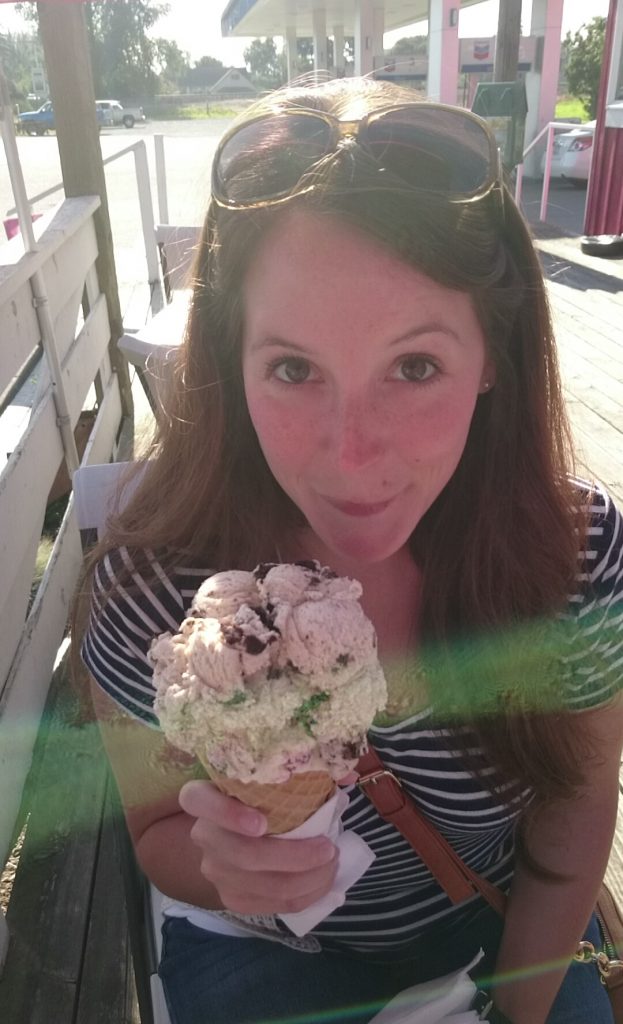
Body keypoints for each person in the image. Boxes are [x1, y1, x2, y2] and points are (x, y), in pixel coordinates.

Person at [77, 76, 623, 1024]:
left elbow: (574, 815)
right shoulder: (148, 587)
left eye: (414, 366)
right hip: (263, 948)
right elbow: (157, 829)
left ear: (490, 356)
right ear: (229, 358)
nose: (351, 456)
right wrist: (225, 872)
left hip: (499, 927)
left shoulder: (571, 552)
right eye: (293, 368)